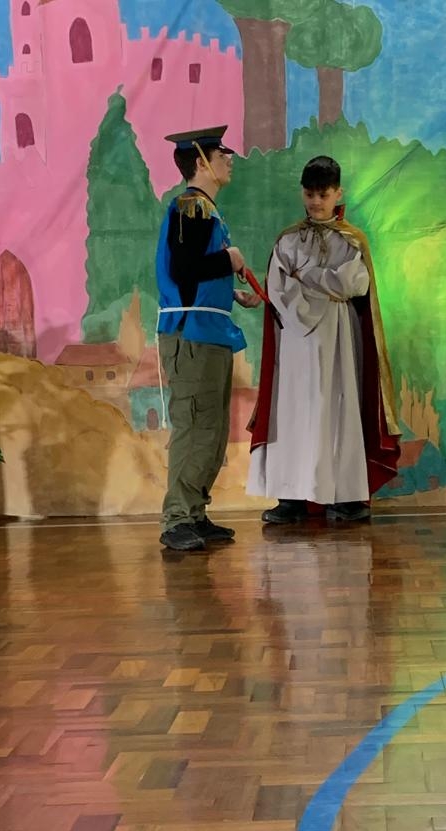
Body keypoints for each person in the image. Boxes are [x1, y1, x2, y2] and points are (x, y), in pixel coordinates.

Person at [247, 155, 401, 523]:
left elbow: (355, 284)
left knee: (338, 409)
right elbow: (278, 288)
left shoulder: (352, 240)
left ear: (338, 193)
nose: (316, 202)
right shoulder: (288, 240)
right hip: (296, 341)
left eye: (323, 194)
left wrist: (307, 276)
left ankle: (342, 495)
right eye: (310, 194)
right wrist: (325, 284)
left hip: (338, 340)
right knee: (294, 410)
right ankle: (291, 497)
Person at [155, 126, 262, 551]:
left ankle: (195, 513)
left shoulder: (207, 210)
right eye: (222, 153)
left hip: (211, 331)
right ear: (201, 162)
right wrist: (228, 260)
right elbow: (183, 269)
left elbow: (193, 276)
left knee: (211, 431)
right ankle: (177, 519)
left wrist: (230, 292)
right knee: (195, 427)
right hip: (192, 336)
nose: (229, 159)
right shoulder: (191, 206)